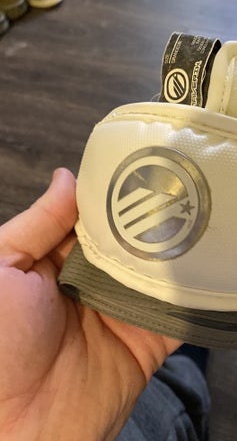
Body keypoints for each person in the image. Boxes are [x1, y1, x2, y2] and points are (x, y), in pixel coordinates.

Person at [0, 168, 210, 440]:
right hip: (128, 387)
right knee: (176, 391)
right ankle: (187, 371)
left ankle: (185, 368)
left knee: (175, 361)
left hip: (106, 374)